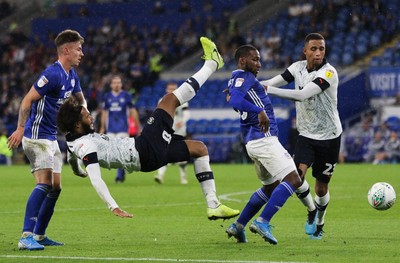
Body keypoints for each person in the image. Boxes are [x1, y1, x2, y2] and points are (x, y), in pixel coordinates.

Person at [57, 37, 240, 222]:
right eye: (86, 115)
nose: (90, 116)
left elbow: (72, 158)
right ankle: (212, 64)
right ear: (77, 124)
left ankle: (213, 205)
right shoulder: (86, 145)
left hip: (147, 157)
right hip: (143, 150)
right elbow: (96, 179)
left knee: (199, 149)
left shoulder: (74, 140)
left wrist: (77, 170)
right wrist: (114, 206)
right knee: (168, 100)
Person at [7, 29, 87, 250]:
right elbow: (27, 100)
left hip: (51, 137)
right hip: (36, 136)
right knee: (44, 183)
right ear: (67, 50)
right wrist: (20, 128)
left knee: (56, 188)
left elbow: (81, 101)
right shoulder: (52, 74)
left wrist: (86, 119)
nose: (82, 53)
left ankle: (40, 235)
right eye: (79, 49)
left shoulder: (71, 75)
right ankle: (26, 236)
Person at [261, 33, 342, 240]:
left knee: (321, 188)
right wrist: (249, 87)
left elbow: (302, 94)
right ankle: (311, 210)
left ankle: (320, 222)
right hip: (306, 135)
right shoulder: (296, 68)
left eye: (321, 49)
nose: (318, 53)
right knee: (296, 178)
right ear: (305, 51)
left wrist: (267, 89)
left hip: (330, 137)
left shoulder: (329, 73)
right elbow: (273, 80)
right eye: (313, 49)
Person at [224, 44, 302, 245]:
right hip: (264, 139)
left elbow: (235, 98)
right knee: (294, 179)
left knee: (271, 187)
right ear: (242, 61)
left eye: (259, 59)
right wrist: (259, 110)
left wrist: (237, 96)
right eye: (254, 59)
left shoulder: (239, 78)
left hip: (253, 142)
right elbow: (235, 101)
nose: (259, 63)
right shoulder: (246, 77)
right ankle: (263, 221)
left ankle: (238, 226)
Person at [99, 75, 142, 183]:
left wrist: (138, 127)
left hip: (123, 129)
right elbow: (104, 112)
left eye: (118, 82)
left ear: (121, 84)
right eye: (114, 83)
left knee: (121, 152)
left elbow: (132, 111)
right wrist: (102, 127)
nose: (116, 84)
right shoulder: (107, 96)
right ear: (111, 85)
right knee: (113, 155)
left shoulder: (126, 96)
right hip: (111, 130)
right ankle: (122, 172)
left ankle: (119, 176)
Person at [154, 81, 190, 184]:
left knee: (181, 154)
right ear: (166, 89)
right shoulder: (162, 100)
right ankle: (160, 175)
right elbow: (159, 115)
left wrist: (181, 122)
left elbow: (187, 114)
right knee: (163, 152)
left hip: (179, 131)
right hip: (166, 131)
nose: (172, 91)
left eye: (174, 89)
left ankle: (183, 177)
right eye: (170, 89)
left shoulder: (183, 100)